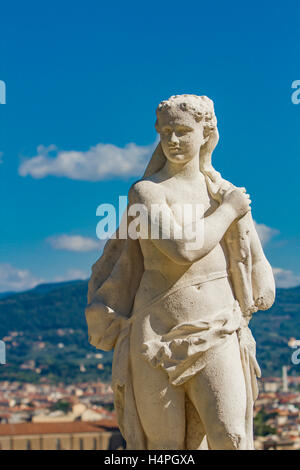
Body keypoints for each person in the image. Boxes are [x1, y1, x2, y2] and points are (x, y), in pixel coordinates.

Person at [85, 95, 275, 450]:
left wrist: (241, 219)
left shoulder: (223, 194)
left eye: (183, 132)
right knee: (164, 447)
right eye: (166, 132)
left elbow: (262, 283)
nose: (172, 141)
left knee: (231, 436)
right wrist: (230, 211)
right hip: (155, 332)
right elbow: (182, 248)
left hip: (217, 327)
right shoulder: (147, 192)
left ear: (206, 134)